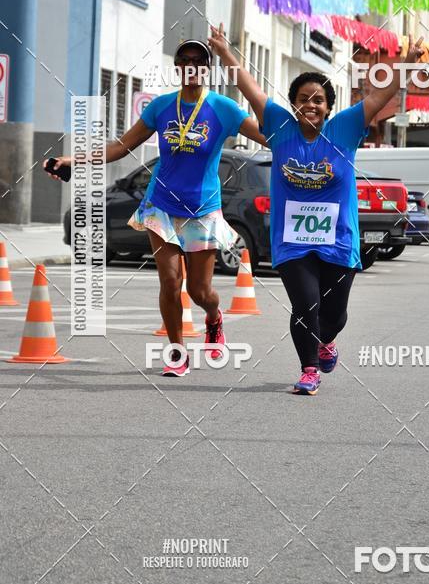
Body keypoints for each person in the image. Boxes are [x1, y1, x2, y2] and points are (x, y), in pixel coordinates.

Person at [208, 22, 424, 395]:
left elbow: (379, 97)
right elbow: (249, 87)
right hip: (292, 240)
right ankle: (309, 370)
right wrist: (225, 52)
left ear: (328, 107)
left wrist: (405, 65)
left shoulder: (345, 128)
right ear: (293, 104)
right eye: (303, 98)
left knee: (334, 315)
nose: (310, 104)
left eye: (318, 99)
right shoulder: (279, 127)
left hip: (339, 240)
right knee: (305, 304)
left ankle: (327, 341)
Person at [44, 38, 266, 377]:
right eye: (185, 59)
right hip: (160, 204)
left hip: (202, 209)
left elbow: (269, 136)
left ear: (207, 69)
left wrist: (305, 146)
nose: (191, 65)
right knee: (170, 281)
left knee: (200, 291)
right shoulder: (161, 107)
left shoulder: (223, 108)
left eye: (199, 60)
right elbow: (121, 146)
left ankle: (213, 317)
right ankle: (177, 352)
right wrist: (74, 159)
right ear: (177, 67)